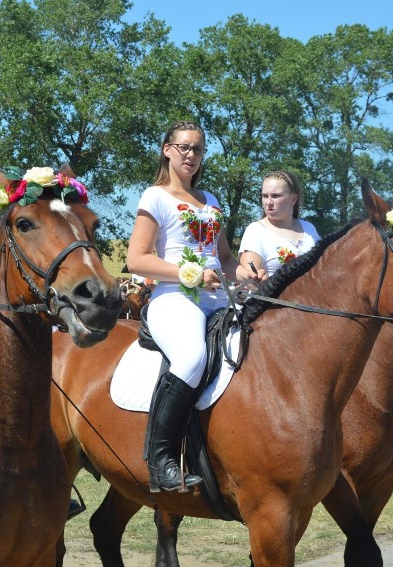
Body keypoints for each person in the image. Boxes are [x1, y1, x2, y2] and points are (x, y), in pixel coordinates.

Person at [126, 120, 257, 492]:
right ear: (167, 149)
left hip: (219, 299)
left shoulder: (211, 201)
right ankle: (161, 459)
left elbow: (226, 259)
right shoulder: (154, 196)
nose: (191, 155)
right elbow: (136, 259)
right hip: (174, 300)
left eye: (198, 149)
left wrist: (246, 272)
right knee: (192, 358)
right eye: (184, 147)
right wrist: (191, 274)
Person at [238, 170, 320, 281]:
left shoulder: (309, 228)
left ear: (293, 199)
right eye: (265, 196)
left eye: (275, 196)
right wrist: (256, 278)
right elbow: (248, 279)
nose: (269, 202)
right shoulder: (256, 231)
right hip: (270, 298)